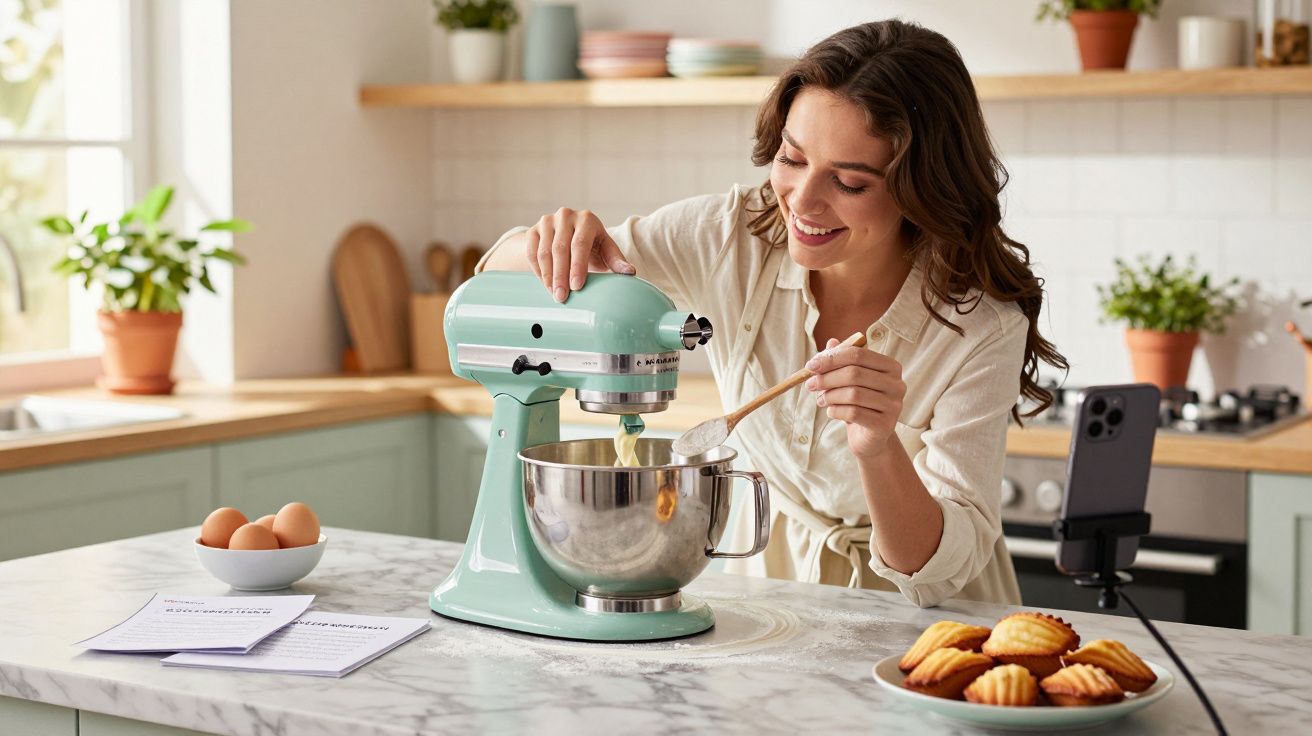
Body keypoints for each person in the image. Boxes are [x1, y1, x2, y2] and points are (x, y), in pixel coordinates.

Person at [479, 19, 1068, 607]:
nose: (802, 202)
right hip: (775, 589)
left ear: (920, 190)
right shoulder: (729, 236)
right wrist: (551, 243)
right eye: (792, 158)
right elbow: (494, 279)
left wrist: (878, 445)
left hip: (933, 620)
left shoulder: (980, 324)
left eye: (849, 182)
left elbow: (939, 572)